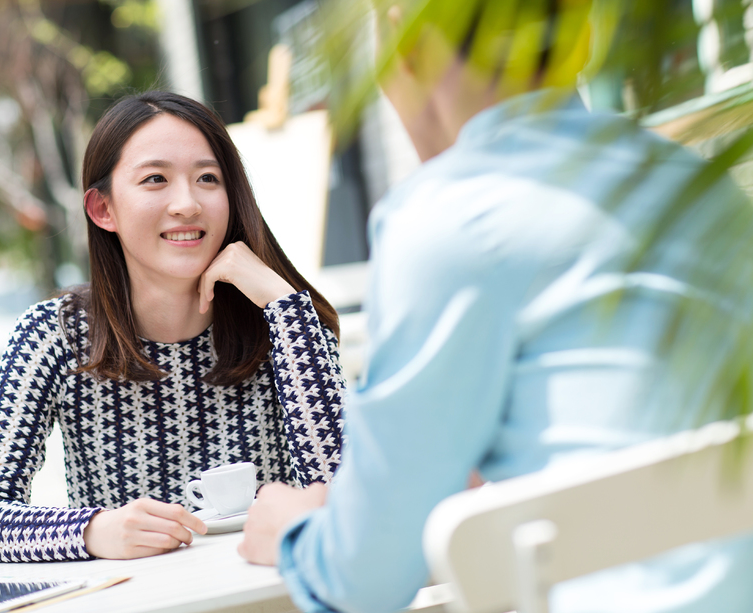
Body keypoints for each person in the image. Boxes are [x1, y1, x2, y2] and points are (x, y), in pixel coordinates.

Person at [239, 2, 753, 612]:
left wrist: (294, 532)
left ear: (403, 48)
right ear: (584, 40)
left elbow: (366, 582)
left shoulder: (448, 216)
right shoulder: (706, 190)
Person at [0, 91, 345, 563]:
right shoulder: (51, 336)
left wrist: (283, 304)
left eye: (207, 178)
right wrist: (93, 529)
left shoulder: (283, 326)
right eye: (155, 179)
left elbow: (343, 495)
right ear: (103, 210)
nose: (186, 203)